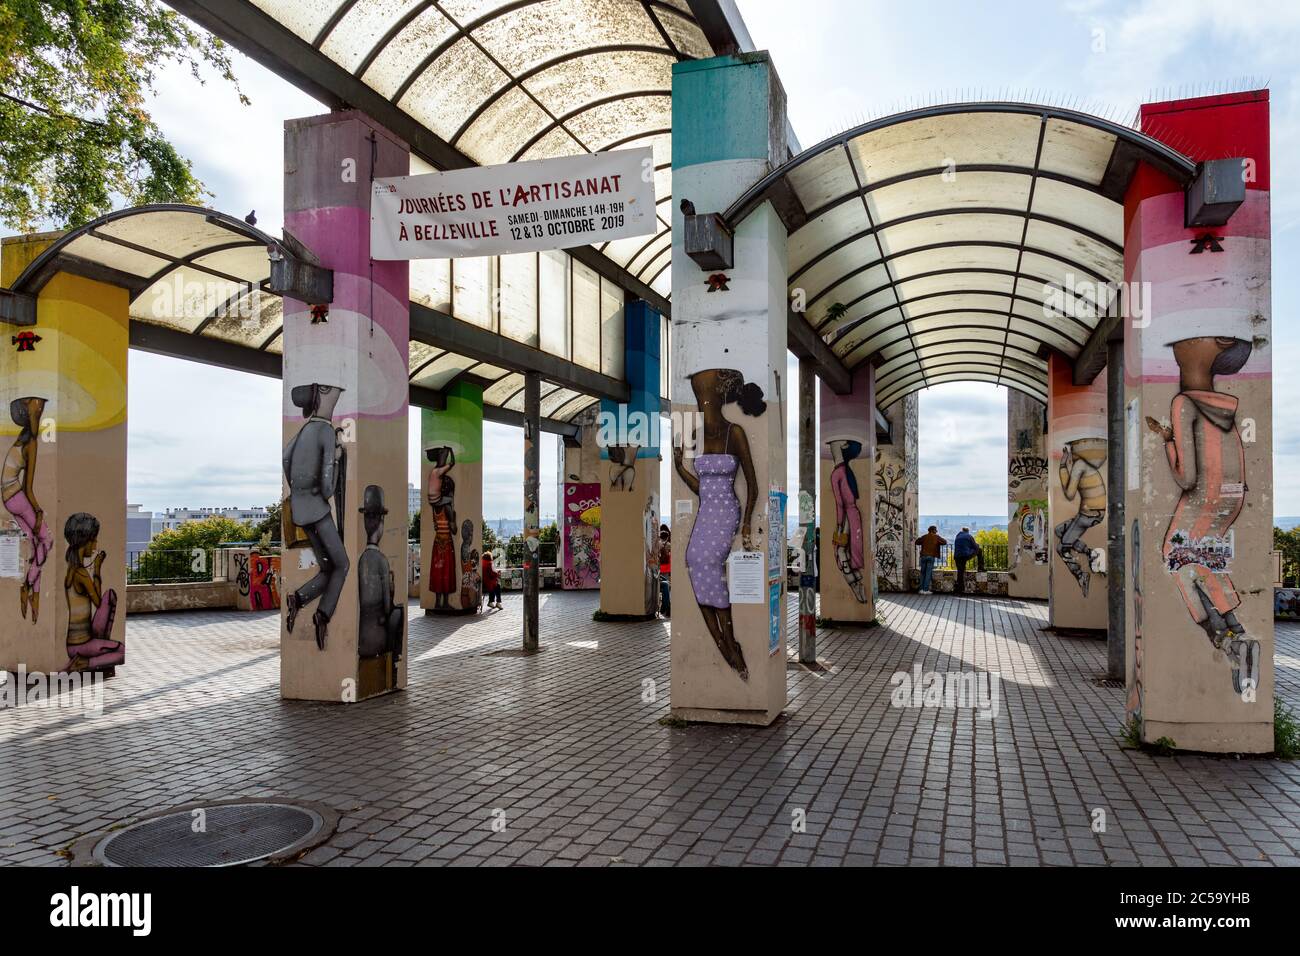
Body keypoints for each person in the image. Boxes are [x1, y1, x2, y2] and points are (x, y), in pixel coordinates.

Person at [282, 383, 349, 649]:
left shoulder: (300, 433)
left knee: (328, 567)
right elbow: (328, 488)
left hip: (300, 511)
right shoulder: (324, 432)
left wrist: (299, 490)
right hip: (318, 512)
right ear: (321, 395)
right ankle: (323, 614)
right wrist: (336, 457)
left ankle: (298, 599)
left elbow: (286, 459)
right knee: (342, 565)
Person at [4, 397, 51, 623]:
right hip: (16, 495)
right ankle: (27, 587)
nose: (40, 409)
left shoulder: (21, 440)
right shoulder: (31, 443)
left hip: (7, 497)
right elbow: (28, 489)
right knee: (47, 541)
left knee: (36, 547)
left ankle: (35, 598)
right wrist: (39, 512)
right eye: (36, 406)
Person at [915, 525, 946, 594]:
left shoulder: (925, 536)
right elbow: (944, 542)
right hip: (931, 556)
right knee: (928, 573)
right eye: (935, 530)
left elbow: (917, 542)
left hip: (923, 556)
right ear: (934, 531)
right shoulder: (936, 537)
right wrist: (937, 542)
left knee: (922, 573)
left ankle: (921, 589)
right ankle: (926, 590)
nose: (936, 531)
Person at [954, 527, 978, 593]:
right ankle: (981, 567)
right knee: (979, 549)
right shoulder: (969, 536)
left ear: (962, 531)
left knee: (960, 571)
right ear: (968, 531)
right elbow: (975, 546)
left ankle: (960, 588)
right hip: (964, 555)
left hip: (957, 556)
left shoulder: (957, 536)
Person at [657, 524, 671, 617]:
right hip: (666, 568)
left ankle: (664, 607)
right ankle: (666, 607)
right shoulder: (669, 545)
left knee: (665, 585)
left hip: (659, 568)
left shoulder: (657, 544)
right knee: (667, 585)